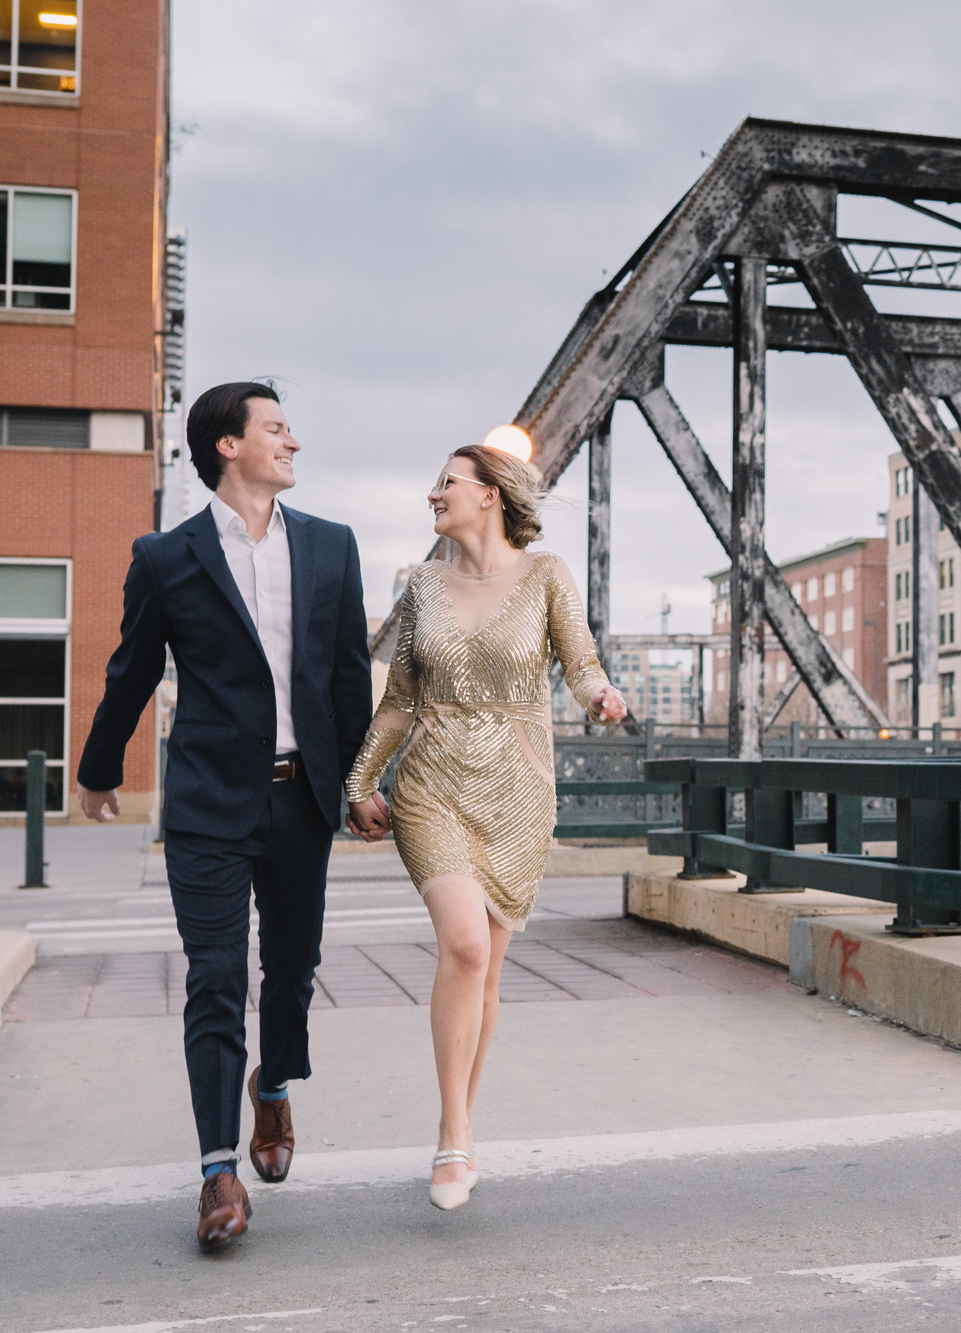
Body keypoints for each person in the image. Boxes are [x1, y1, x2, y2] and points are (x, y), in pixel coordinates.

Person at [74, 381, 377, 1250]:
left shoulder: (330, 545)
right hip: (208, 799)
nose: (293, 441)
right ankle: (217, 1171)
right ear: (228, 445)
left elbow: (348, 678)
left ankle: (272, 1085)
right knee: (214, 976)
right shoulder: (166, 557)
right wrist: (98, 770)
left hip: (301, 797)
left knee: (292, 970)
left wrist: (359, 781)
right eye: (276, 428)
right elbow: (132, 669)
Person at [345, 435, 624, 1211]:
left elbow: (581, 665)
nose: (434, 494)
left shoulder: (546, 575)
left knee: (486, 971)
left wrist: (601, 697)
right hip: (431, 785)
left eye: (447, 482)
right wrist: (359, 781)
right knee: (464, 945)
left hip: (517, 790)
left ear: (489, 494)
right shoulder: (422, 585)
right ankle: (454, 1130)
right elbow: (399, 700)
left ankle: (458, 1126)